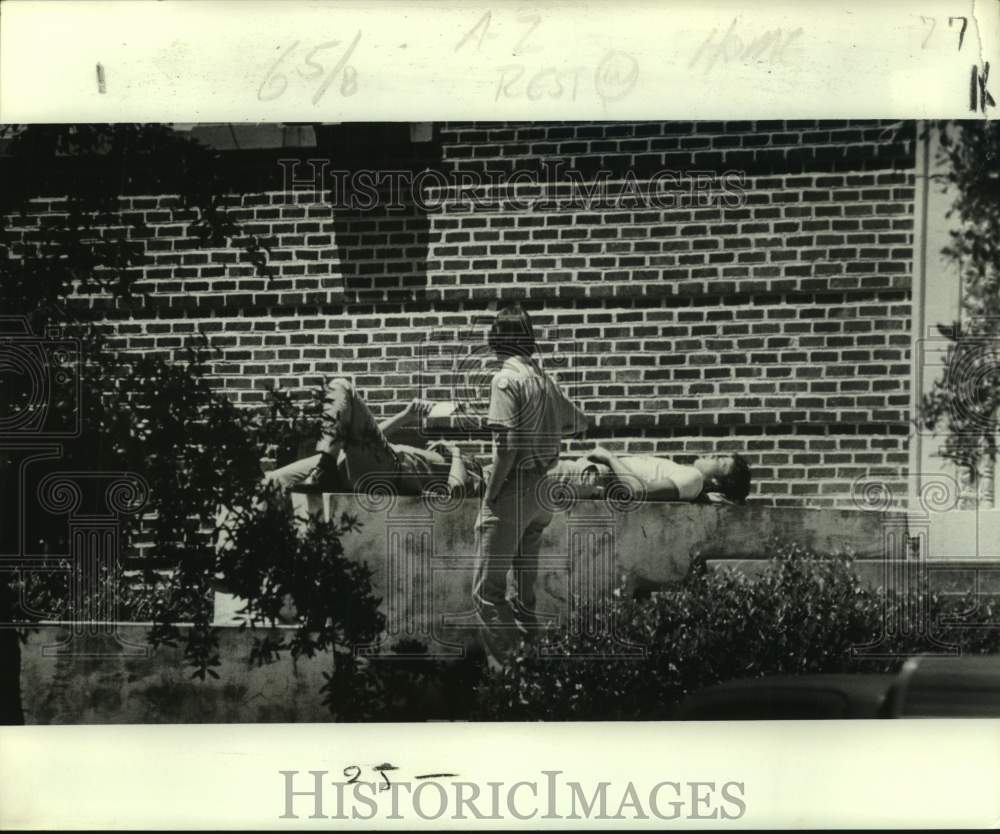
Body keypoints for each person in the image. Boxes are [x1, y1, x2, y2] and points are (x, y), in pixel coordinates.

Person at [473, 304, 589, 646]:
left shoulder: (505, 380)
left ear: (497, 340)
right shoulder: (543, 380)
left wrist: (492, 496)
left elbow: (506, 448)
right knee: (525, 598)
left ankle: (509, 683)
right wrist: (545, 433)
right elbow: (580, 422)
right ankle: (537, 678)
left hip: (514, 490)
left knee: (488, 595)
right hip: (544, 491)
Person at [264, 377, 484, 498]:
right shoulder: (432, 454)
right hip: (356, 462)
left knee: (342, 387)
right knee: (272, 480)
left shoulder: (470, 470)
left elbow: (457, 491)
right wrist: (405, 417)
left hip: (389, 471)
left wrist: (456, 451)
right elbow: (370, 440)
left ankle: (325, 466)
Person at [547, 446, 752, 504]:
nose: (714, 455)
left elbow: (639, 490)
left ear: (716, 481)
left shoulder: (694, 477)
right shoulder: (690, 481)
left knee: (524, 478)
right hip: (587, 478)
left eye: (720, 462)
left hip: (589, 479)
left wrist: (609, 457)